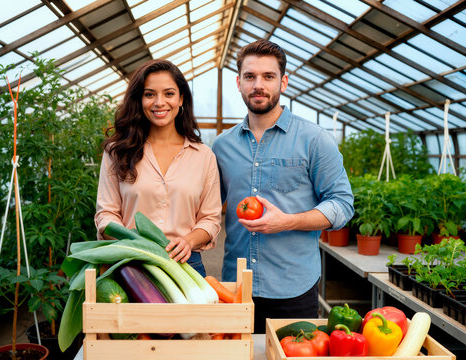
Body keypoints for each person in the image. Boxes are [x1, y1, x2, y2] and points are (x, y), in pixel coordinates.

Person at [212, 40, 354, 333]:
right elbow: (209, 208)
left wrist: (288, 221)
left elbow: (342, 204)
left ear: (284, 82)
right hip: (235, 287)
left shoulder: (314, 139)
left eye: (268, 76)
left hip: (293, 288)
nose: (258, 85)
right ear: (239, 83)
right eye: (250, 77)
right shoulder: (222, 146)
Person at [95, 59, 221, 277]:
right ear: (139, 100)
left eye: (169, 94)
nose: (159, 102)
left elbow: (210, 219)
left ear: (181, 98)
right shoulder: (117, 152)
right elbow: (106, 214)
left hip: (186, 266)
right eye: (150, 94)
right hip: (131, 265)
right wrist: (131, 242)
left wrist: (188, 241)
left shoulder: (203, 156)